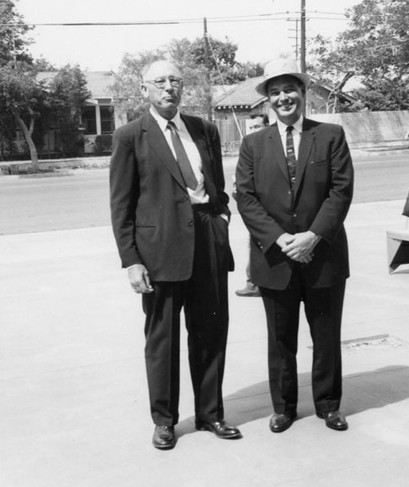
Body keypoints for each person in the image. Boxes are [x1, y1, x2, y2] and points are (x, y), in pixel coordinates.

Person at [109, 59, 242, 450]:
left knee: (211, 332)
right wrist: (132, 259)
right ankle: (165, 420)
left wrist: (220, 217)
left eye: (175, 81)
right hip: (159, 251)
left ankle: (211, 414)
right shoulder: (131, 135)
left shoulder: (204, 129)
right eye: (160, 82)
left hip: (208, 243)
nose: (169, 88)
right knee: (162, 340)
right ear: (145, 90)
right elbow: (121, 205)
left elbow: (215, 183)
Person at [236, 58, 354, 433]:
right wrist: (279, 238)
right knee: (280, 340)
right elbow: (246, 197)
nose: (283, 97)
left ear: (303, 94)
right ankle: (284, 407)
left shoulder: (330, 135)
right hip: (276, 258)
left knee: (325, 335)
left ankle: (329, 405)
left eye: (290, 90)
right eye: (275, 92)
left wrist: (313, 236)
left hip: (323, 256)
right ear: (267, 101)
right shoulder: (253, 143)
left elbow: (341, 191)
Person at [234, 113, 269, 297]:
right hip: (254, 209)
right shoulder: (250, 146)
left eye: (257, 126)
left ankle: (256, 283)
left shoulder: (270, 147)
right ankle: (253, 282)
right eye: (252, 127)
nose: (254, 131)